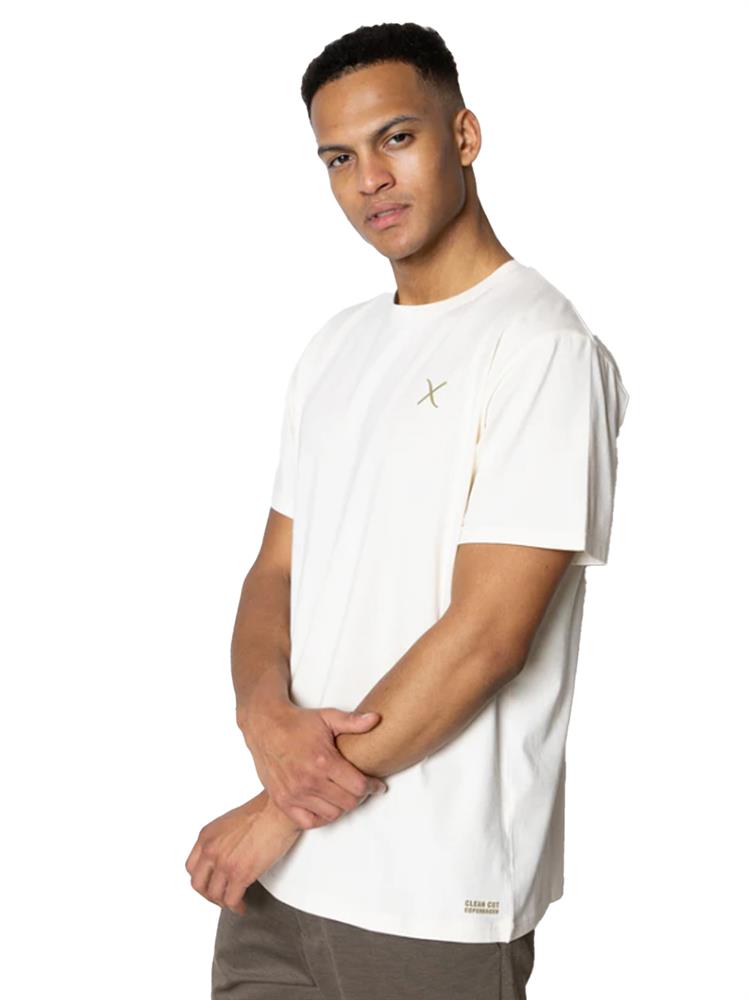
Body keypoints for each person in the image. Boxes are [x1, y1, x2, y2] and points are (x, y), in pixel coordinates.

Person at [184, 21, 630, 1000]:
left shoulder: (542, 348)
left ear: (463, 136)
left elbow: (489, 636)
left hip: (430, 899)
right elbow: (276, 570)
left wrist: (280, 808)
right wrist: (262, 716)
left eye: (397, 138)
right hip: (279, 890)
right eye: (339, 158)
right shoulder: (334, 349)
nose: (370, 180)